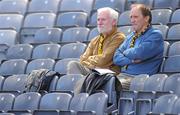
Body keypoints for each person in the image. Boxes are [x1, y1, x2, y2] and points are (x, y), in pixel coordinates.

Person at [113, 4, 164, 89]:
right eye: (131, 17)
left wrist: (125, 52)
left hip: (139, 79)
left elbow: (139, 53)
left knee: (110, 85)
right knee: (95, 81)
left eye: (136, 17)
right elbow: (116, 58)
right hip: (122, 76)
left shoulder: (155, 35)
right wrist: (132, 60)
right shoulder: (130, 36)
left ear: (146, 18)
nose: (132, 20)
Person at [67, 7, 125, 76]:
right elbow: (82, 60)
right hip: (93, 71)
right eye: (98, 20)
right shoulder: (95, 40)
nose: (99, 23)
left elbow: (103, 60)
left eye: (103, 20)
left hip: (108, 74)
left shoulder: (119, 38)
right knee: (73, 64)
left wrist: (90, 59)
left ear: (114, 22)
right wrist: (93, 64)